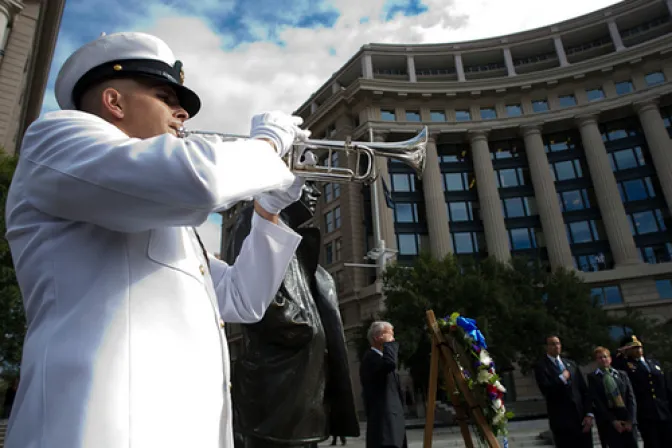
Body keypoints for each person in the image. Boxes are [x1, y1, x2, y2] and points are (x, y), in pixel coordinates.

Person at [3, 31, 311, 448]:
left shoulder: (165, 214)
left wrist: (267, 210)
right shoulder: (55, 137)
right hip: (98, 429)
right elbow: (200, 181)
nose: (182, 112)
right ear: (114, 102)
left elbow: (243, 299)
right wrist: (269, 145)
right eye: (166, 97)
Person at [225, 182, 359, 448]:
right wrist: (304, 328)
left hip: (298, 385)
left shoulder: (290, 233)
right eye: (306, 183)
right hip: (278, 388)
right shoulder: (253, 220)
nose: (316, 193)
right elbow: (254, 294)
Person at [534, 335, 594, 448]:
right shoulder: (542, 366)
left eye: (558, 343)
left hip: (581, 419)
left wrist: (589, 414)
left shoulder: (571, 364)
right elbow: (546, 390)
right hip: (562, 422)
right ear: (546, 347)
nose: (556, 346)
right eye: (552, 344)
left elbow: (584, 390)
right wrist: (561, 379)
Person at [618, 335, 672, 448]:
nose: (638, 350)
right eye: (634, 348)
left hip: (663, 410)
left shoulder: (654, 363)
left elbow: (665, 386)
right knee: (652, 443)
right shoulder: (626, 365)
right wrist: (621, 354)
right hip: (646, 412)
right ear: (628, 350)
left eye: (640, 347)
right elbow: (613, 365)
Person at [360, 321, 407, 448]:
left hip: (392, 424)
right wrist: (389, 344)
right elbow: (390, 363)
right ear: (377, 337)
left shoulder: (381, 358)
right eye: (389, 335)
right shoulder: (371, 358)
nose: (393, 339)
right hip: (384, 427)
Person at [587, 346, 638, 448]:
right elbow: (598, 402)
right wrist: (613, 421)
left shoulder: (621, 374)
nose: (603, 359)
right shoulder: (593, 378)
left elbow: (631, 398)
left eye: (605, 357)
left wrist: (630, 420)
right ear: (596, 360)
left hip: (627, 419)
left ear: (610, 359)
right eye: (600, 358)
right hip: (610, 422)